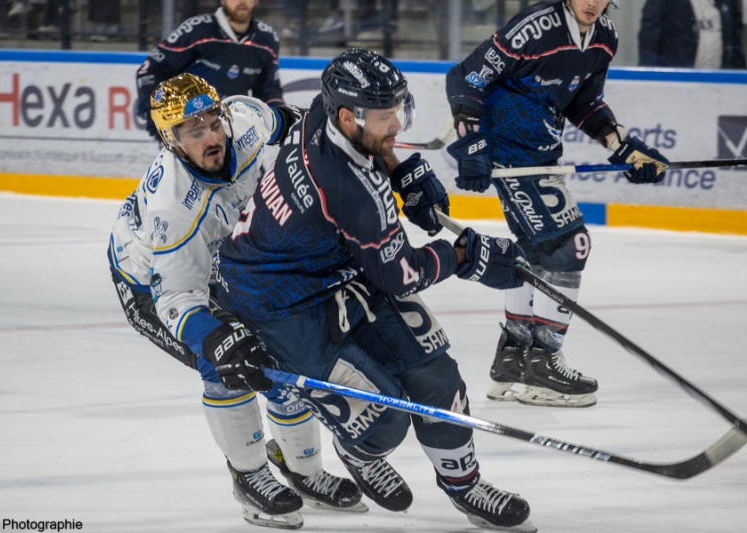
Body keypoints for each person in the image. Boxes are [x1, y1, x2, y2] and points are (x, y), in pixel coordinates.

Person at [213, 48, 537, 533]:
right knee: (380, 421)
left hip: (338, 267)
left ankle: (465, 486)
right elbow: (400, 274)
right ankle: (356, 449)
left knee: (435, 376)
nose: (396, 127)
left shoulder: (324, 110)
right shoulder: (348, 190)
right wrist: (467, 258)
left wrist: (402, 171)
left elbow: (375, 159)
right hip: (276, 301)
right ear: (348, 115)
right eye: (384, 118)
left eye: (397, 111)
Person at [108, 73, 366, 529]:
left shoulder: (244, 120)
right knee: (231, 364)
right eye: (194, 131)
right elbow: (176, 299)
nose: (211, 136)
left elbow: (294, 123)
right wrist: (219, 342)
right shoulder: (174, 207)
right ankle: (248, 476)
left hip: (224, 257)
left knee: (284, 348)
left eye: (212, 121)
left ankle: (302, 467)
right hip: (152, 285)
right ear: (170, 140)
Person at [444, 0, 671, 408]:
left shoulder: (605, 37)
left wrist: (622, 147)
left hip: (540, 152)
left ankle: (514, 359)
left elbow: (584, 102)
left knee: (537, 251)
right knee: (569, 246)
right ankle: (543, 363)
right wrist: (472, 143)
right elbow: (465, 78)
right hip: (509, 150)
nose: (591, 2)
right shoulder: (535, 27)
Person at [136, 0, 283, 141]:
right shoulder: (197, 31)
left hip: (234, 130)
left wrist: (282, 119)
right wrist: (153, 112)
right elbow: (150, 71)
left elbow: (268, 90)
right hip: (190, 130)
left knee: (254, 167)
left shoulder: (267, 41)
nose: (241, 1)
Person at [638, 0, 745, 69]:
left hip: (721, 88)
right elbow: (649, 45)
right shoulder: (663, 3)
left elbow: (735, 46)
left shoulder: (728, 3)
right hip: (676, 87)